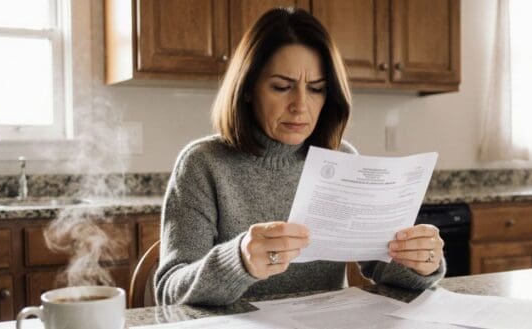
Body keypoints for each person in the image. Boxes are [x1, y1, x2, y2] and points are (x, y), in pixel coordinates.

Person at [155, 7, 446, 306]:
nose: (300, 106)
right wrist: (238, 259)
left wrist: (420, 262)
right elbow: (170, 290)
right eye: (282, 87)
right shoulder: (203, 164)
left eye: (316, 89)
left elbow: (380, 266)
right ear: (247, 89)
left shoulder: (341, 158)